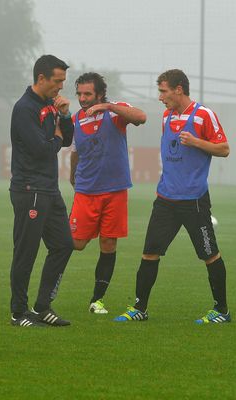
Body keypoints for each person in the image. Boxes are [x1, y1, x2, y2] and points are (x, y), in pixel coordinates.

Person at [114, 69, 231, 324]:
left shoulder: (204, 115)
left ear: (179, 89)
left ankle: (221, 311)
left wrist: (197, 142)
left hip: (195, 200)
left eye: (163, 91)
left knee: (210, 255)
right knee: (149, 253)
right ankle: (139, 309)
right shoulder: (167, 116)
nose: (160, 97)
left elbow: (224, 149)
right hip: (166, 197)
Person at [68, 72, 147, 314]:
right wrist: (72, 176)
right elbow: (74, 151)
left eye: (88, 94)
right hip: (86, 191)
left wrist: (108, 106)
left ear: (99, 94)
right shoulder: (75, 120)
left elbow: (141, 117)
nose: (82, 98)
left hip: (115, 190)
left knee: (108, 243)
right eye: (79, 94)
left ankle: (97, 300)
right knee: (76, 243)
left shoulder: (115, 112)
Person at [9, 54, 74, 327]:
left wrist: (66, 117)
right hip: (29, 188)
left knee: (63, 245)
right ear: (41, 78)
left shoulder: (51, 104)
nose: (60, 87)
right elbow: (42, 149)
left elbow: (67, 140)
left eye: (63, 82)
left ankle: (42, 306)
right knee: (27, 251)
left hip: (49, 188)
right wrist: (57, 136)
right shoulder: (25, 108)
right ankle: (18, 313)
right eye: (57, 81)